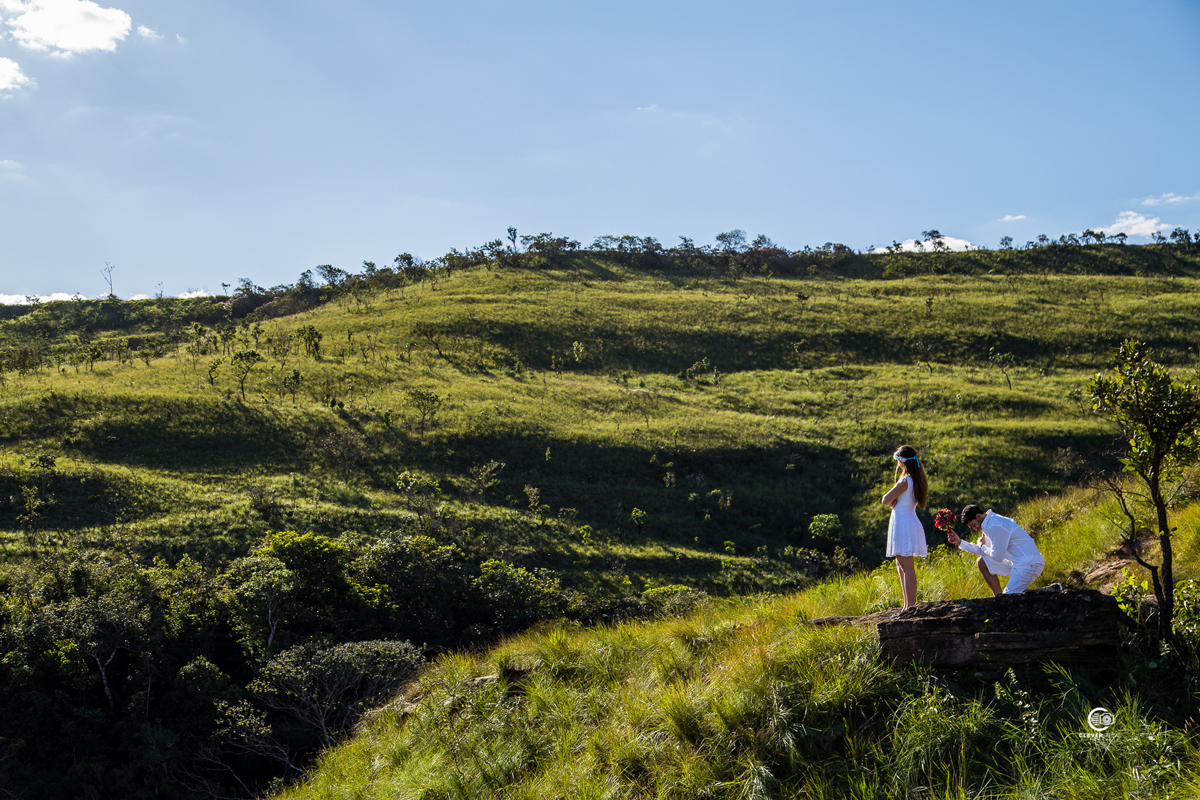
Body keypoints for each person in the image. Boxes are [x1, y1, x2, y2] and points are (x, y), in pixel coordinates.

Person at [947, 505, 1055, 595]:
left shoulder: (995, 525)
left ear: (978, 516)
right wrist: (960, 542)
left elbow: (997, 556)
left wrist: (982, 545)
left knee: (1010, 597)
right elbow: (987, 552)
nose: (975, 529)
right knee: (982, 562)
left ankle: (1048, 590)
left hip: (1029, 563)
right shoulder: (989, 524)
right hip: (1017, 562)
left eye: (973, 525)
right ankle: (999, 597)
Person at [882, 445, 928, 609]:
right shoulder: (916, 480)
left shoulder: (904, 481)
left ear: (903, 463)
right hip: (908, 519)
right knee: (901, 565)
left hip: (903, 523)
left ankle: (911, 606)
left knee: (907, 567)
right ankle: (907, 605)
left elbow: (885, 499)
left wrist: (891, 501)